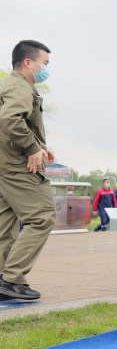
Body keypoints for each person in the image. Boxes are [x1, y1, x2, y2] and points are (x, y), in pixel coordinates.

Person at [0, 40, 56, 301]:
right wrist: (33, 149)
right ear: (27, 62)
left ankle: (2, 281)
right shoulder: (20, 85)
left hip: (5, 164)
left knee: (4, 226)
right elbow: (10, 119)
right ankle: (11, 279)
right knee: (42, 216)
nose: (46, 68)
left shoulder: (8, 85)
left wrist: (40, 148)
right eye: (44, 63)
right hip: (17, 167)